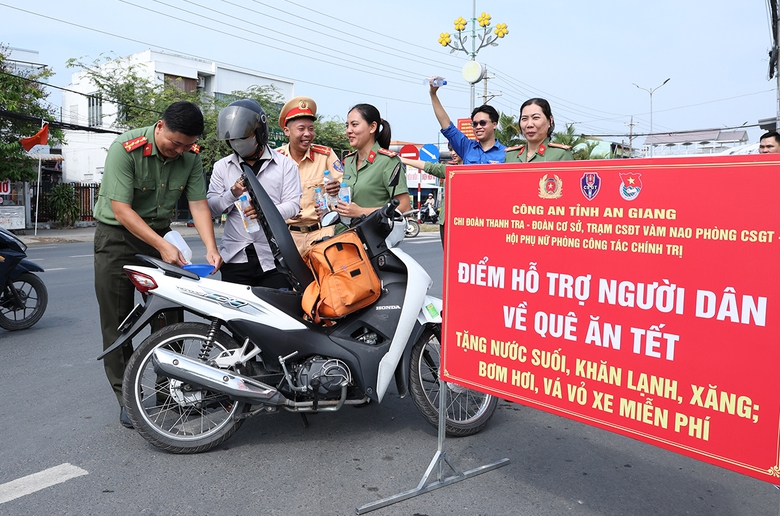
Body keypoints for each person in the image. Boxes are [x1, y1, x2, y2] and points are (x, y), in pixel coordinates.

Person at [93, 101, 223, 429]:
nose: (178, 150)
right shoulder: (124, 148)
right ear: (160, 126)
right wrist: (162, 244)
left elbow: (198, 204)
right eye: (174, 142)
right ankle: (127, 398)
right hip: (117, 238)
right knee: (117, 322)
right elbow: (121, 209)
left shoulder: (190, 157)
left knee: (169, 319)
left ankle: (169, 394)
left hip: (160, 235)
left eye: (185, 145)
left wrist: (210, 247)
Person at [207, 99, 302, 288]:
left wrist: (265, 212)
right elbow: (212, 208)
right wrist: (232, 193)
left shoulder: (285, 166)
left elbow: (293, 205)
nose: (238, 143)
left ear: (259, 133)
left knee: (276, 313)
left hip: (273, 257)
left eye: (243, 137)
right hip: (235, 257)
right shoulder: (221, 167)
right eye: (232, 140)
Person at [325, 103, 411, 231]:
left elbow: (404, 207)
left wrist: (361, 212)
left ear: (372, 127)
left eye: (354, 125)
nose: (348, 130)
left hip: (373, 240)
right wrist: (335, 193)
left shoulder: (388, 161)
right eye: (347, 125)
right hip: (345, 235)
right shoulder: (348, 161)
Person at [275, 96, 344, 255]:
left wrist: (337, 190)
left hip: (321, 233)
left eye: (311, 128)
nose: (307, 134)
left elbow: (344, 191)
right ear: (287, 131)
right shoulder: (276, 160)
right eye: (301, 129)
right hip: (287, 236)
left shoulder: (326, 156)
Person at [428, 79, 505, 164]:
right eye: (475, 124)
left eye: (483, 123)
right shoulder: (466, 147)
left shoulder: (506, 153)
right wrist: (433, 94)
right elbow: (447, 126)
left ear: (494, 124)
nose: (478, 127)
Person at [400, 143, 462, 247]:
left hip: (463, 222)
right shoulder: (448, 169)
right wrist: (401, 159)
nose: (453, 153)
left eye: (456, 150)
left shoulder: (473, 169)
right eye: (450, 150)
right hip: (445, 221)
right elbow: (428, 166)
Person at [505, 98, 573, 162]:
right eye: (524, 119)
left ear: (550, 121)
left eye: (536, 118)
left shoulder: (561, 154)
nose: (529, 125)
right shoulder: (511, 156)